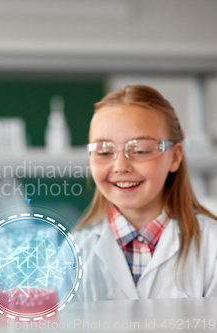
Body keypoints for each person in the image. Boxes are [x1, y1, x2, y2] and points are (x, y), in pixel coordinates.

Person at [74, 85, 217, 301]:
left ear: (175, 157)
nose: (120, 166)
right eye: (104, 151)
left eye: (140, 150)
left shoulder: (211, 245)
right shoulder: (75, 251)